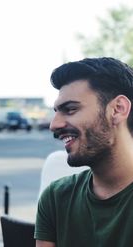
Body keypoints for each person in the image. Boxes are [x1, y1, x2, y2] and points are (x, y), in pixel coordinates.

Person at [35, 57, 133, 247]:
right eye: (56, 112)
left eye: (70, 109)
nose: (54, 125)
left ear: (118, 109)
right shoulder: (56, 197)